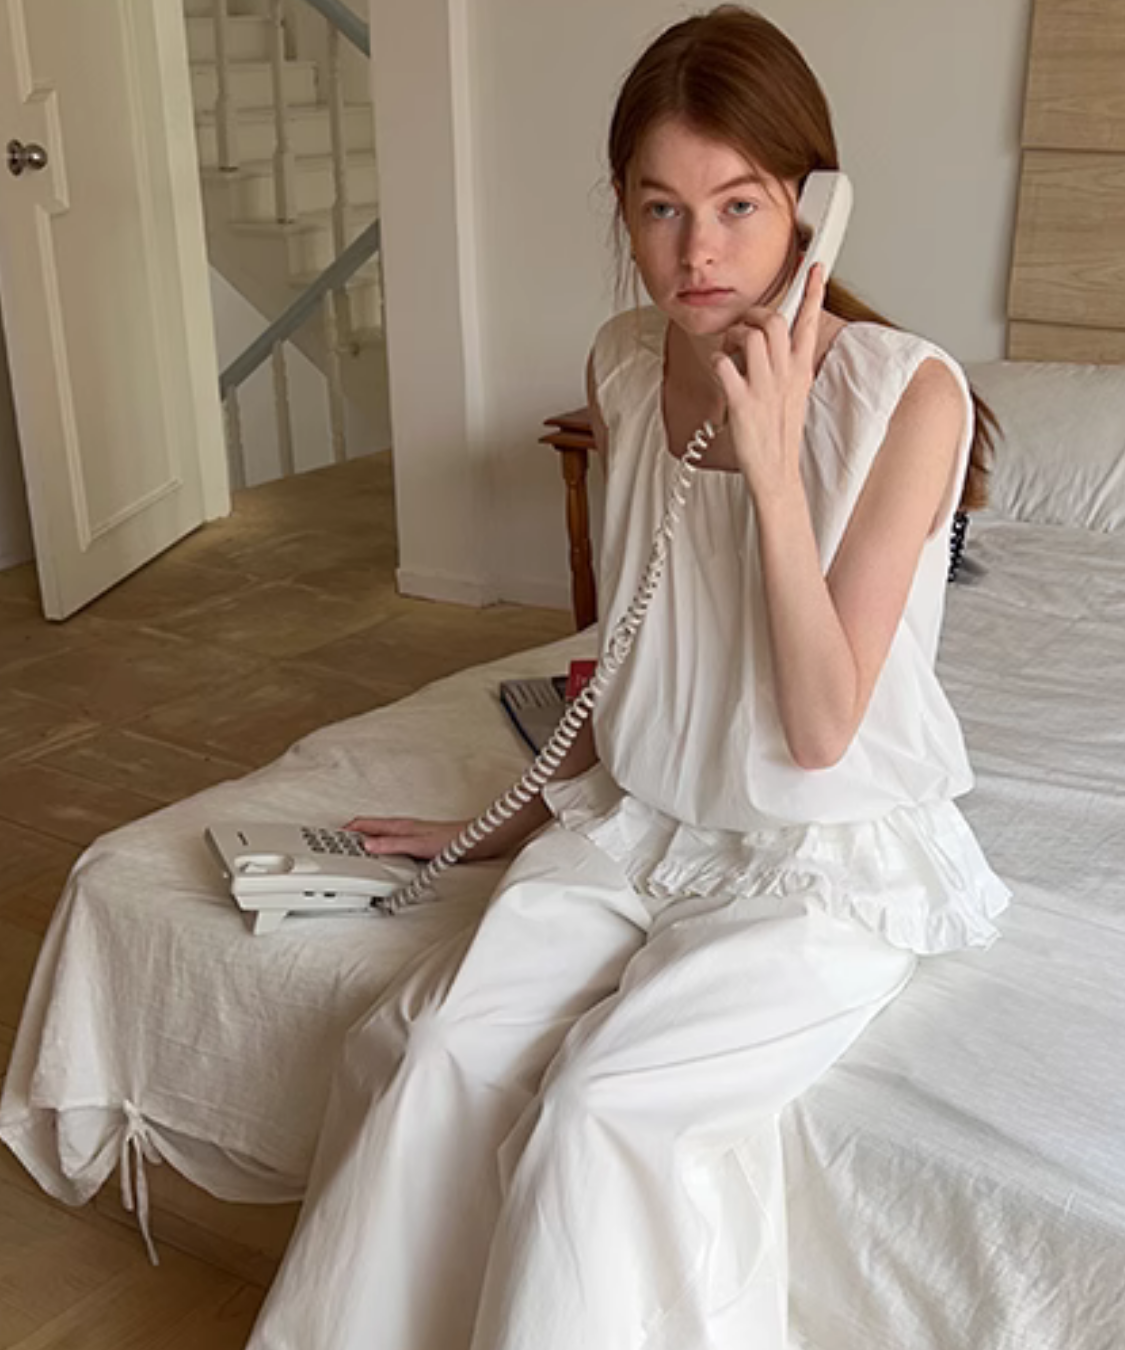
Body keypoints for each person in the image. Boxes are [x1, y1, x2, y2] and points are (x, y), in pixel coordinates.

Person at [246, 7, 1010, 1348]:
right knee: (433, 1051)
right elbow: (650, 647)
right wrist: (500, 822)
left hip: (819, 856)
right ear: (624, 209)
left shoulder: (911, 398)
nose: (697, 251)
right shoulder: (619, 362)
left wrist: (776, 471)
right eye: (661, 208)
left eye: (739, 205)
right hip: (644, 821)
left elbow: (820, 729)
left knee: (600, 1110)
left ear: (811, 207)